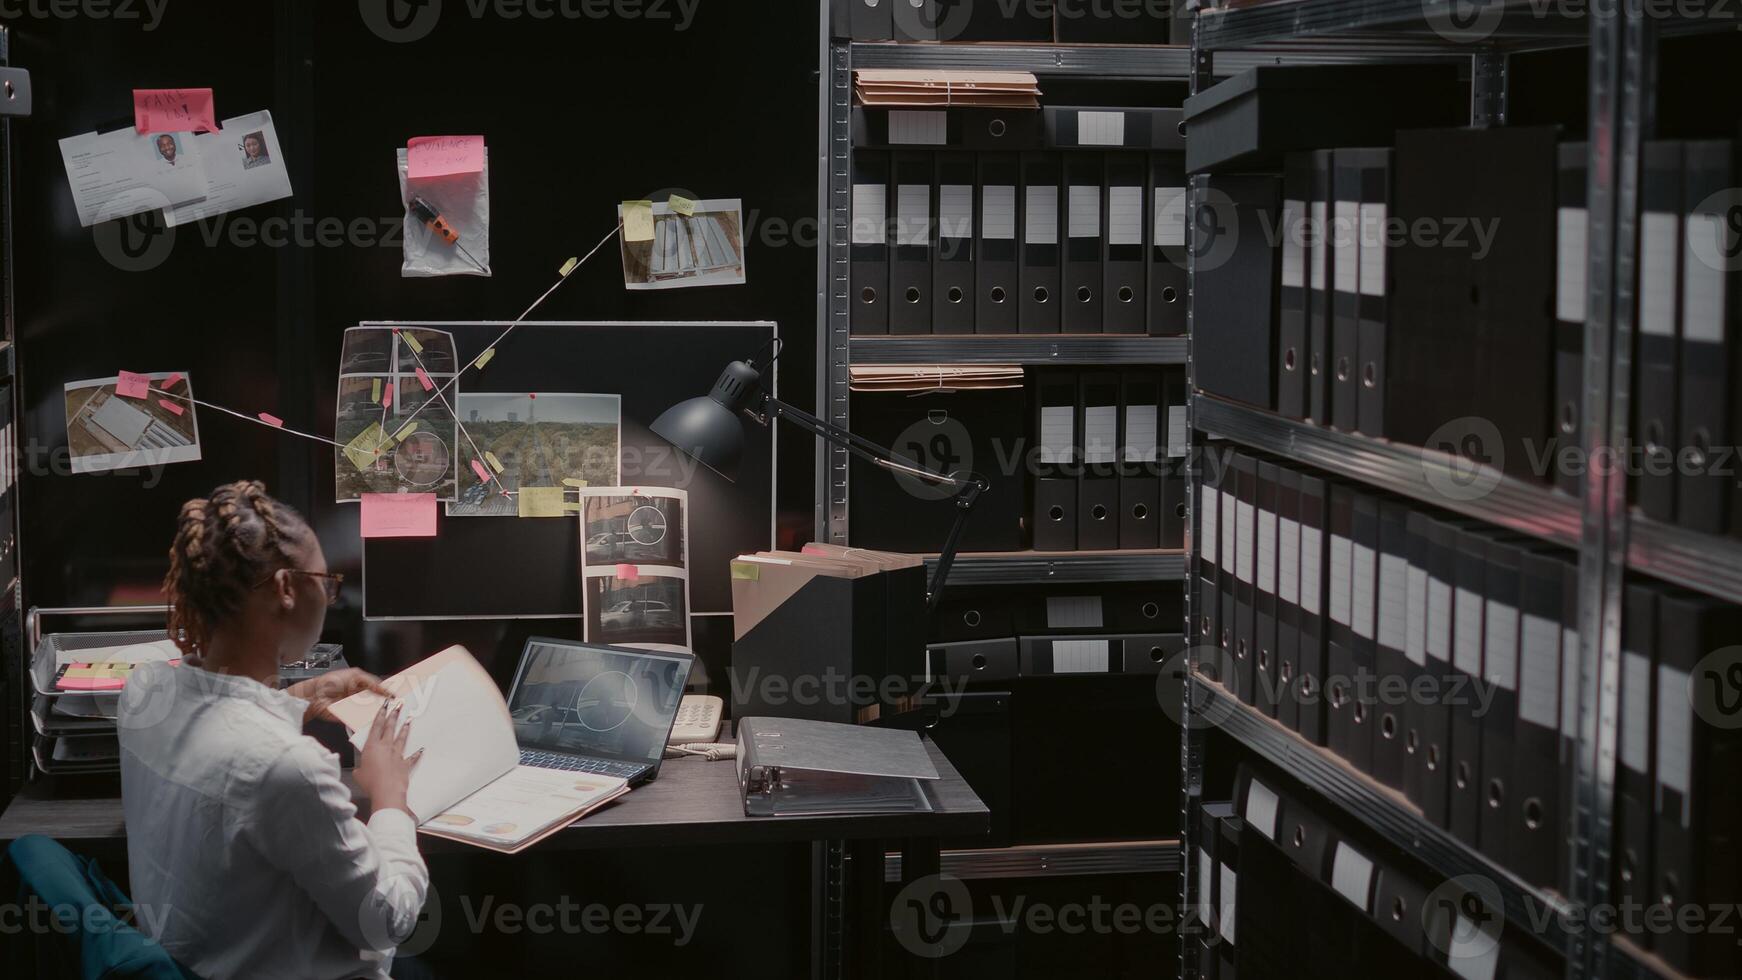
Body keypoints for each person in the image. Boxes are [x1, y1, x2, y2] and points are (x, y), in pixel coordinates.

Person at [118, 480, 430, 980]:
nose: (329, 597)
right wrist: (391, 800)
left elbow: (222, 735)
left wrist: (301, 698)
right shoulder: (290, 768)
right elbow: (384, 923)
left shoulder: (144, 694)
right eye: (326, 582)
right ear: (287, 588)